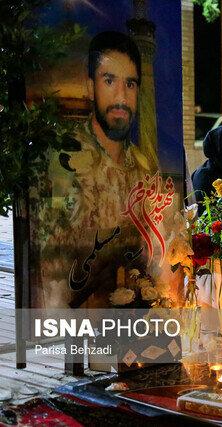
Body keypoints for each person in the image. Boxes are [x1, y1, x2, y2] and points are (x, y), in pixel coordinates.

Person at [38, 31, 167, 308]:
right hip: (78, 322)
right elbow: (52, 260)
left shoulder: (144, 166)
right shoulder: (65, 159)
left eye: (130, 84)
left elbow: (155, 250)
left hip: (134, 319)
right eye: (109, 81)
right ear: (90, 87)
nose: (121, 97)